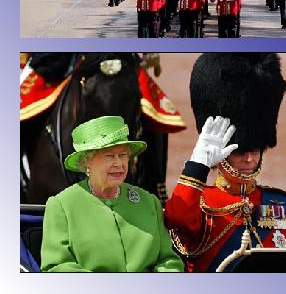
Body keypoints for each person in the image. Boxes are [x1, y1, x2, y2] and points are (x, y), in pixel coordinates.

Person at [164, 54, 286, 272]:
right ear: (221, 152)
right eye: (239, 151)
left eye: (255, 150)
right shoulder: (201, 203)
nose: (249, 159)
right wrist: (198, 164)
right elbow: (176, 218)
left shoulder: (283, 204)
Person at [40, 116, 184, 272]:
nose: (119, 164)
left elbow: (169, 261)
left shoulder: (149, 202)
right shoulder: (62, 205)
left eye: (123, 155)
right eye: (109, 156)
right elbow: (57, 267)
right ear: (86, 161)